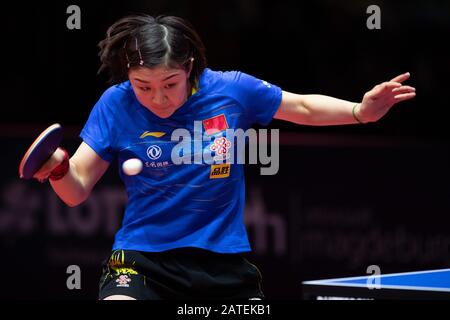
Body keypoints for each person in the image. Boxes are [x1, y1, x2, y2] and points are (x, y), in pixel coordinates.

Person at [33, 14, 416, 300]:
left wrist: (359, 112)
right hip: (141, 260)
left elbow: (302, 107)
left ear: (188, 68)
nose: (157, 98)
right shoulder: (115, 103)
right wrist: (58, 170)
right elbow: (76, 190)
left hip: (222, 264)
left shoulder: (231, 89)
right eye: (143, 87)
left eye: (169, 84)